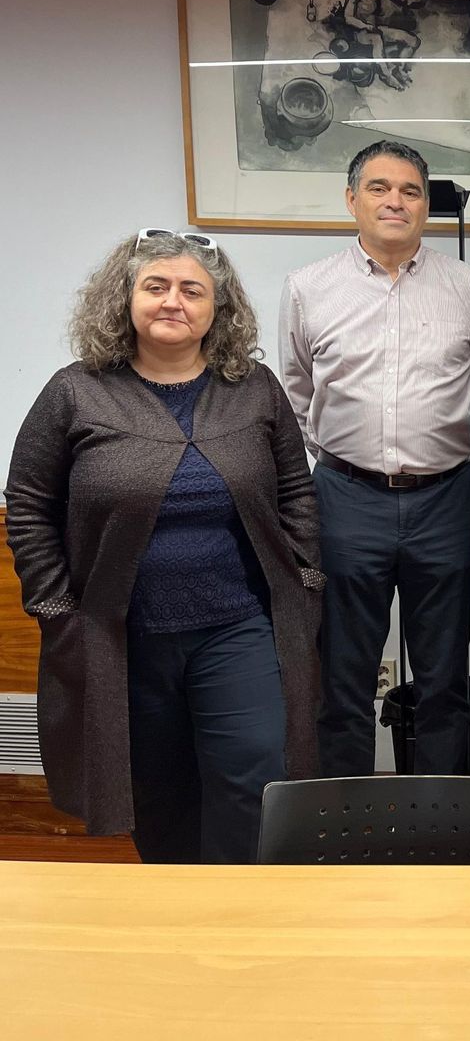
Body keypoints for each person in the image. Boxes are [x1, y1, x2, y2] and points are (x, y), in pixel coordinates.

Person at [6, 230, 322, 862]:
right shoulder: (76, 391)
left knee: (252, 783)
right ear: (125, 299)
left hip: (237, 629)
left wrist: (305, 575)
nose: (172, 301)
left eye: (191, 290)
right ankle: (178, 925)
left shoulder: (254, 388)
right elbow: (30, 503)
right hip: (124, 637)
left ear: (217, 309)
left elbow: (297, 493)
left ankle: (239, 920)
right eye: (155, 286)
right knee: (159, 791)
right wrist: (54, 606)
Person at [280, 140, 470, 777]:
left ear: (426, 208)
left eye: (410, 191)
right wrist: (339, 463)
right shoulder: (308, 288)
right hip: (346, 499)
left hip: (445, 497)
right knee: (344, 678)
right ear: (352, 200)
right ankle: (341, 824)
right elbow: (295, 396)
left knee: (443, 679)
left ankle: (439, 825)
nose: (395, 202)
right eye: (379, 188)